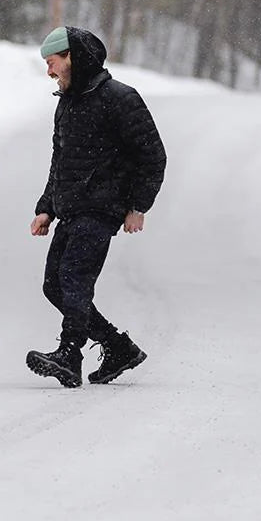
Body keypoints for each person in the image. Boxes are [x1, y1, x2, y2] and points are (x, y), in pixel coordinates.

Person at [26, 25, 167, 388]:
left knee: (74, 280)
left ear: (72, 57)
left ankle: (69, 355)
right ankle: (118, 347)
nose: (49, 71)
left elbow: (153, 156)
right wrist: (47, 207)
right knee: (54, 286)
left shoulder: (120, 98)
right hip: (71, 209)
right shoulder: (67, 103)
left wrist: (138, 206)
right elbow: (60, 162)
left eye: (53, 62)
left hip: (102, 208)